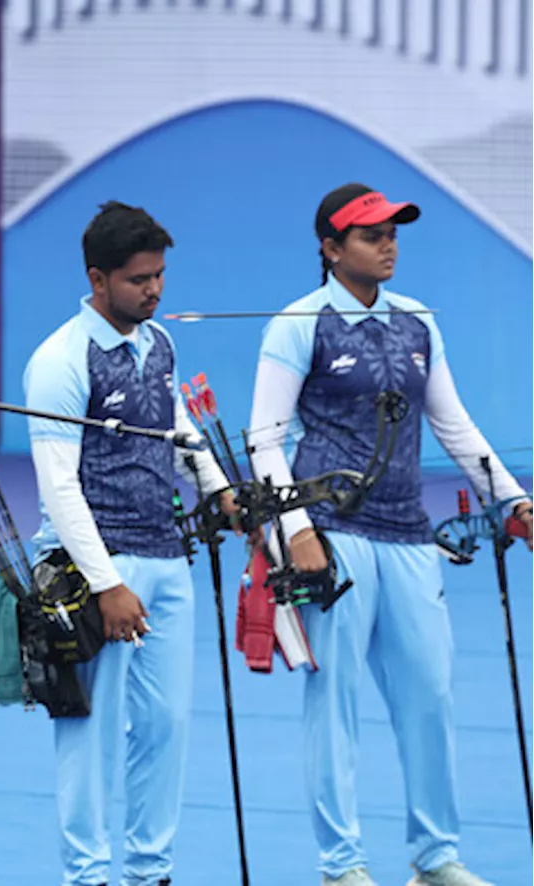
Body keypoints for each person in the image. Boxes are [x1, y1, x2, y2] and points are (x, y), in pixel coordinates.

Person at [247, 183, 534, 886]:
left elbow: (454, 425)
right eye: (371, 234)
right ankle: (341, 866)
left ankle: (435, 860)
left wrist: (515, 502)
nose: (388, 245)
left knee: (431, 697)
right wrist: (297, 528)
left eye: (393, 233)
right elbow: (265, 439)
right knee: (335, 702)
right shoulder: (297, 323)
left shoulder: (417, 324)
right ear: (330, 246)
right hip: (332, 536)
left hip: (408, 534)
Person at [23, 201, 236, 886]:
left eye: (160, 276)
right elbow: (59, 486)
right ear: (97, 278)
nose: (154, 290)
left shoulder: (159, 344)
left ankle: (151, 872)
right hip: (95, 570)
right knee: (89, 737)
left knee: (167, 728)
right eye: (139, 279)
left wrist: (220, 490)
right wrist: (107, 584)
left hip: (168, 556)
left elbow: (176, 432)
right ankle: (87, 876)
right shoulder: (60, 360)